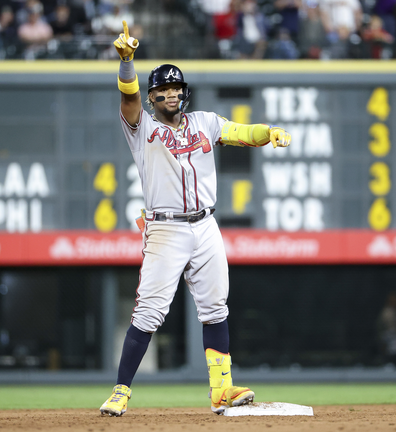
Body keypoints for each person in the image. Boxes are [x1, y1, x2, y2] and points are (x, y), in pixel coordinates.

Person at [100, 21, 291, 417]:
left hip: (205, 225)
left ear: (183, 93)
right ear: (153, 97)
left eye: (175, 90)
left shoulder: (204, 121)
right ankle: (121, 390)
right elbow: (128, 100)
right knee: (149, 312)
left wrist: (268, 131)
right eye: (162, 91)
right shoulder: (143, 129)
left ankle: (221, 391)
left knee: (215, 307)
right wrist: (127, 65)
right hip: (166, 227)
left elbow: (241, 131)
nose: (170, 95)